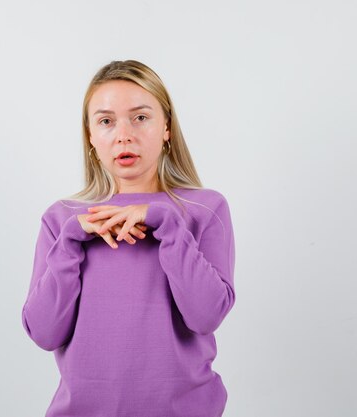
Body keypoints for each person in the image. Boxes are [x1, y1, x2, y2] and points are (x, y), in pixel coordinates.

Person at [21, 59, 236, 417]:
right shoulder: (61, 219)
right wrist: (72, 238)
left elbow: (206, 316)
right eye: (106, 121)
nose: (124, 135)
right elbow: (44, 332)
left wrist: (166, 223)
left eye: (140, 117)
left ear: (166, 126)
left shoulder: (205, 209)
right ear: (91, 136)